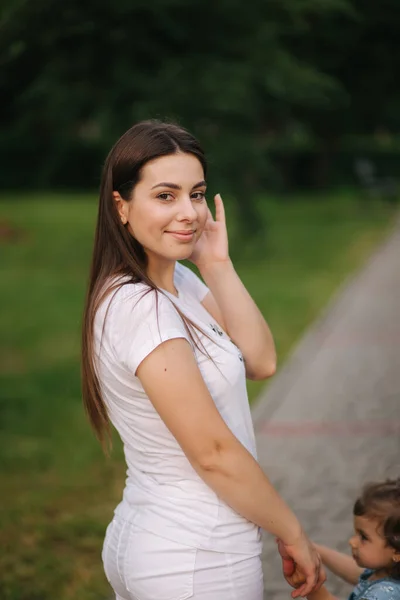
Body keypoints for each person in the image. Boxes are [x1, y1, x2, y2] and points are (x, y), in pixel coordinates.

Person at [81, 119, 325, 600]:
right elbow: (212, 454)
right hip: (197, 558)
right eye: (166, 195)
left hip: (158, 541)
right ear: (121, 205)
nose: (189, 211)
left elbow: (260, 360)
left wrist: (216, 263)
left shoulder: (174, 285)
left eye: (197, 193)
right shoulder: (142, 308)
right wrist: (291, 529)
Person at [279, 478, 400, 600]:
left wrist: (314, 588)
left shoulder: (385, 594)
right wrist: (313, 549)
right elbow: (356, 572)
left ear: (397, 551)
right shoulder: (384, 572)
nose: (352, 542)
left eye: (364, 537)